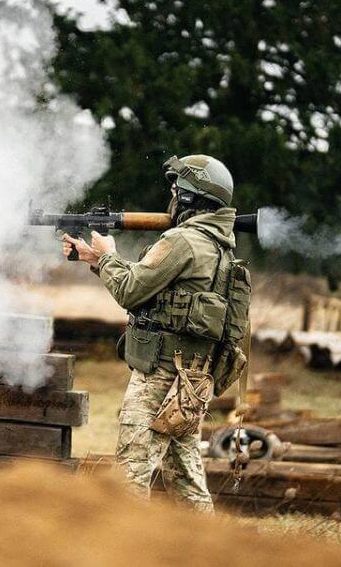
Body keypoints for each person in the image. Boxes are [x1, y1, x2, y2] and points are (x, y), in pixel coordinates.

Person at [63, 154, 243, 513]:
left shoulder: (183, 241)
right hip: (191, 378)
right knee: (185, 477)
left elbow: (130, 291)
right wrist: (95, 260)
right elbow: (157, 292)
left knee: (130, 478)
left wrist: (108, 255)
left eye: (177, 189)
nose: (173, 196)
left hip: (159, 378)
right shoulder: (217, 244)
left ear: (191, 197)